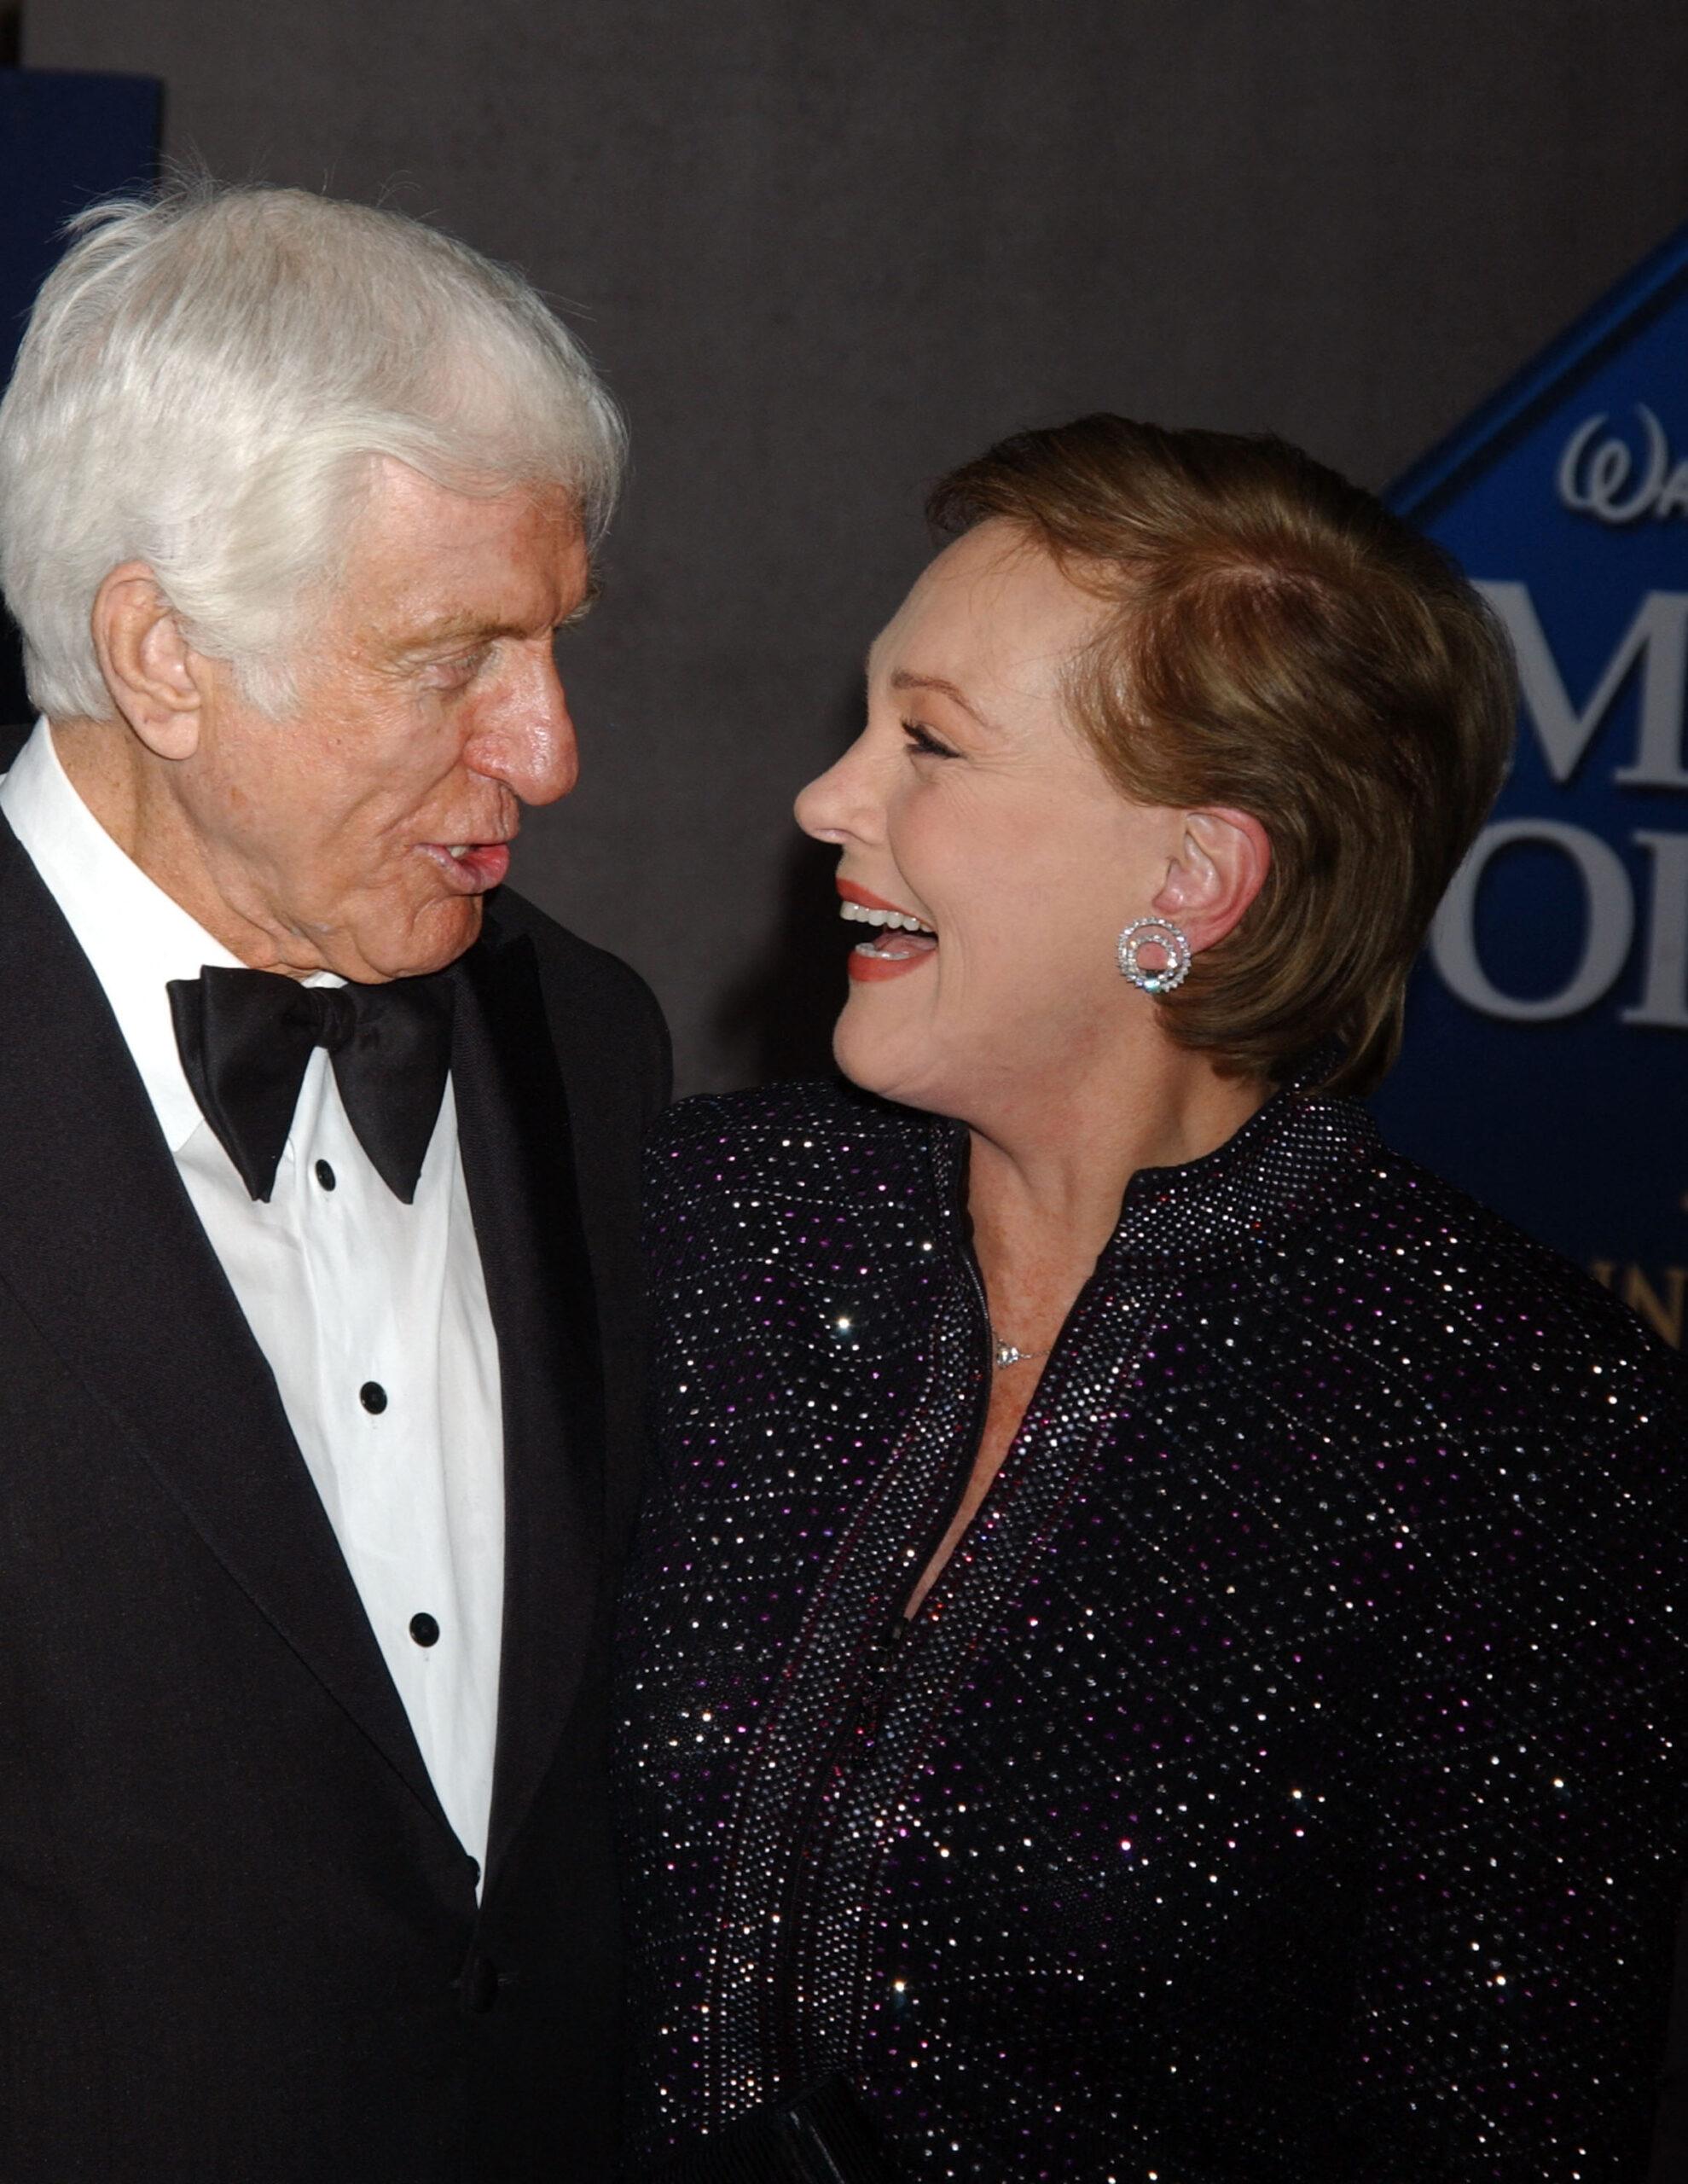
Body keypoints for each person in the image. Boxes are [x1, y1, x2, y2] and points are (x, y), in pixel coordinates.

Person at [614, 415, 1688, 2181]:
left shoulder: (1512, 1419)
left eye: (930, 742)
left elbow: (1502, 2131)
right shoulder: (724, 1223)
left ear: (1192, 878)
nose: (826, 797)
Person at [0, 183, 667, 2181]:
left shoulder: (592, 1039)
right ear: (164, 656)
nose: (548, 749)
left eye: (551, 643)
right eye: (456, 654)